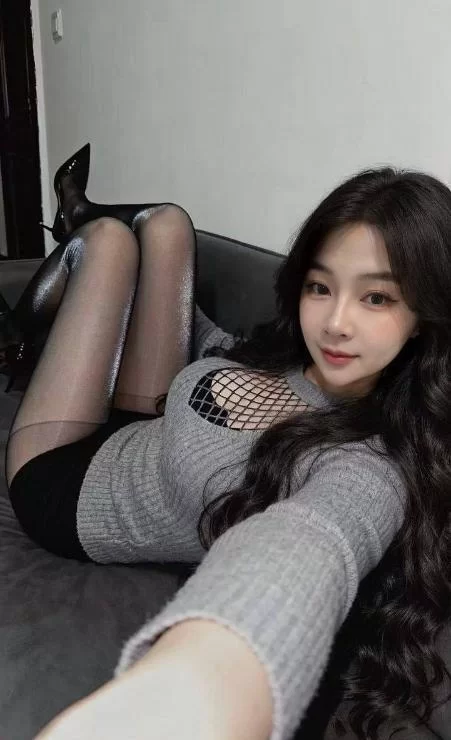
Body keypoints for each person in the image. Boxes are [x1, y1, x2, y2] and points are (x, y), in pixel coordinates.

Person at [4, 165, 451, 740]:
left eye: (376, 297)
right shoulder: (294, 356)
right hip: (138, 425)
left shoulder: (365, 463)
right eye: (320, 287)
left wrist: (191, 692)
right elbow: (213, 343)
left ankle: (25, 318)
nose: (336, 324)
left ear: (422, 317)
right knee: (168, 225)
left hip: (62, 485)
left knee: (108, 244)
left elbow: (313, 544)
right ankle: (81, 219)